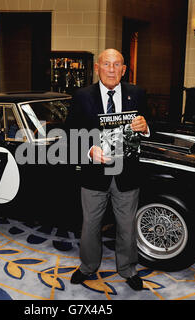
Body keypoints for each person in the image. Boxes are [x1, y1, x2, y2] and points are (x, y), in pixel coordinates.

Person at [66, 49, 150, 291]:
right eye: (106, 64)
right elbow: (71, 132)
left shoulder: (137, 93)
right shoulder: (82, 96)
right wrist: (89, 151)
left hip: (128, 173)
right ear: (97, 68)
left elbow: (148, 127)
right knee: (90, 225)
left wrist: (145, 127)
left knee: (126, 226)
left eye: (117, 65)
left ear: (124, 69)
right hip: (94, 174)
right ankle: (87, 267)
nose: (112, 69)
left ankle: (127, 269)